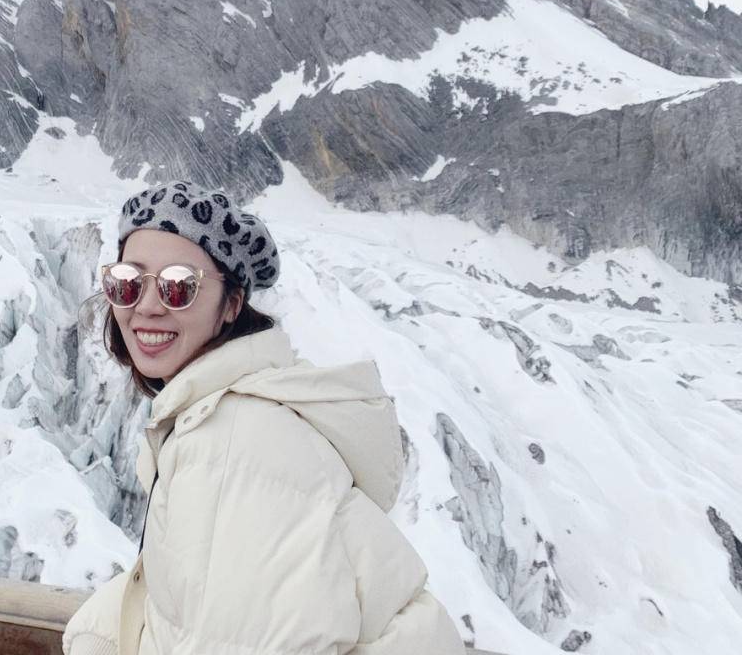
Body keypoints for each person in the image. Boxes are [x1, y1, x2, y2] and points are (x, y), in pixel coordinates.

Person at [62, 180, 465, 655]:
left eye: (178, 286)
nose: (146, 305)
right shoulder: (220, 416)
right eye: (128, 282)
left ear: (231, 304)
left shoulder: (232, 445)